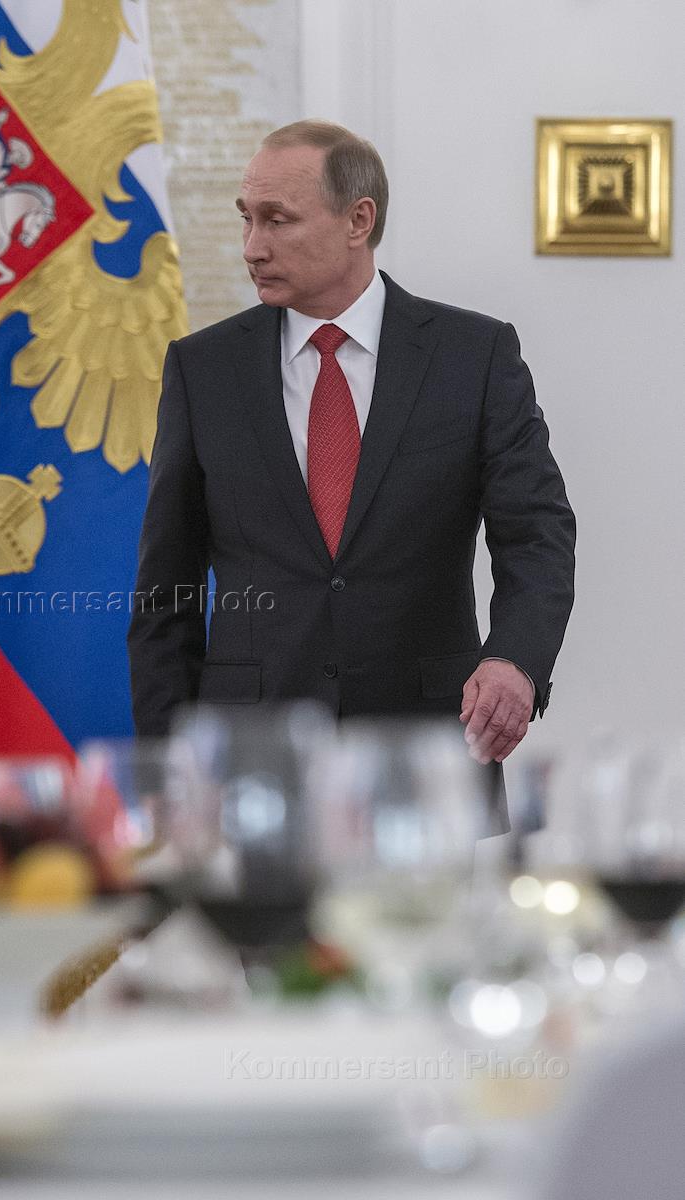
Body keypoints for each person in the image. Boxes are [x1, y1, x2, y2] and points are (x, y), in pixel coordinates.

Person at [127, 120, 575, 781]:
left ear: (357, 220)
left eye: (277, 220)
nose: (252, 246)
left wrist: (514, 659)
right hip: (250, 759)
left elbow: (537, 534)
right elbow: (167, 591)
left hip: (428, 754)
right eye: (247, 218)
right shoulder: (203, 369)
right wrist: (165, 770)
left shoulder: (473, 356)